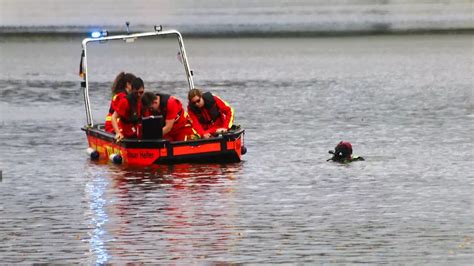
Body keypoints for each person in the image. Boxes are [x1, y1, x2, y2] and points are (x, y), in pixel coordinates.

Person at [111, 77, 145, 141]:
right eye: (136, 93)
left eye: (141, 92)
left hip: (136, 130)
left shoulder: (143, 99)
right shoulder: (125, 102)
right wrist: (118, 133)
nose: (138, 95)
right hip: (125, 132)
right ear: (131, 90)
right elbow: (113, 117)